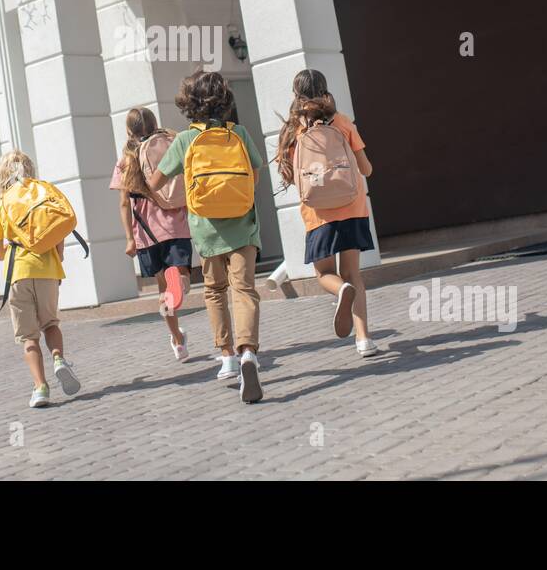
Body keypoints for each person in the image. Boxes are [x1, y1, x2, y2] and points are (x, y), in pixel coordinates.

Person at [148, 70, 265, 403]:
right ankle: (248, 353)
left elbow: (155, 183)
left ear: (189, 103)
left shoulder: (185, 140)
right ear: (224, 100)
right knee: (244, 290)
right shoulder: (239, 133)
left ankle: (227, 355)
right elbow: (254, 176)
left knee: (215, 290)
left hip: (206, 229)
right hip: (243, 226)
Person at [275, 69, 378, 356]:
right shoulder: (343, 122)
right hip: (353, 206)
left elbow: (291, 177)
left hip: (318, 213)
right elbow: (367, 169)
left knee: (324, 274)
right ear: (325, 90)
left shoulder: (293, 131)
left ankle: (338, 290)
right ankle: (364, 339)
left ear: (296, 95)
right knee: (352, 274)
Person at [0, 150, 81, 407]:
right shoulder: (43, 195)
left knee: (28, 337)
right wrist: (55, 260)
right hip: (47, 271)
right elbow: (59, 236)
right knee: (50, 323)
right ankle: (59, 359)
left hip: (18, 273)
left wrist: (14, 247)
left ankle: (40, 388)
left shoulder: (0, 206)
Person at [110, 107, 193, 361]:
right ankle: (180, 280)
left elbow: (124, 203)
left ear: (128, 131)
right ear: (155, 123)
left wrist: (129, 239)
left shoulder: (126, 159)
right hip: (176, 224)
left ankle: (177, 339)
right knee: (180, 276)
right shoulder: (171, 144)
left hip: (147, 233)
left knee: (163, 290)